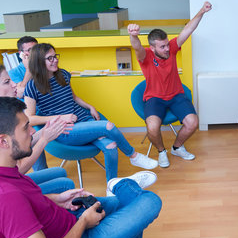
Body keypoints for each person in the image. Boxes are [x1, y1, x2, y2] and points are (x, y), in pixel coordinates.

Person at [0, 96, 171, 238]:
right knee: (149, 201)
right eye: (25, 128)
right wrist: (84, 223)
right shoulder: (4, 198)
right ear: (3, 141)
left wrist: (56, 201)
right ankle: (120, 184)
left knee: (127, 204)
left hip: (66, 221)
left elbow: (22, 209)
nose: (32, 133)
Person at [23, 43, 158, 181]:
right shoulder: (32, 86)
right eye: (50, 58)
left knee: (110, 146)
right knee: (108, 126)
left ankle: (111, 186)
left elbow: (73, 97)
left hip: (84, 120)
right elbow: (30, 118)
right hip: (65, 129)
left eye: (55, 56)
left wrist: (89, 107)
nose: (55, 60)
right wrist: (61, 117)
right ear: (39, 62)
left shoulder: (62, 74)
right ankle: (133, 155)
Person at [128, 1, 212, 168]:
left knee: (193, 123)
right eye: (162, 46)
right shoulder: (145, 57)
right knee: (152, 127)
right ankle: (161, 151)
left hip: (176, 96)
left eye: (167, 44)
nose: (167, 49)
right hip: (154, 98)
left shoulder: (172, 48)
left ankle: (177, 148)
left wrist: (202, 11)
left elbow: (188, 29)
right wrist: (133, 35)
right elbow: (137, 47)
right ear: (152, 48)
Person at [0, 63, 73, 194]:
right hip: (7, 188)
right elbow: (18, 168)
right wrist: (44, 139)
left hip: (12, 179)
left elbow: (20, 143)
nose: (14, 84)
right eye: (7, 82)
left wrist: (46, 132)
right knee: (64, 184)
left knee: (60, 172)